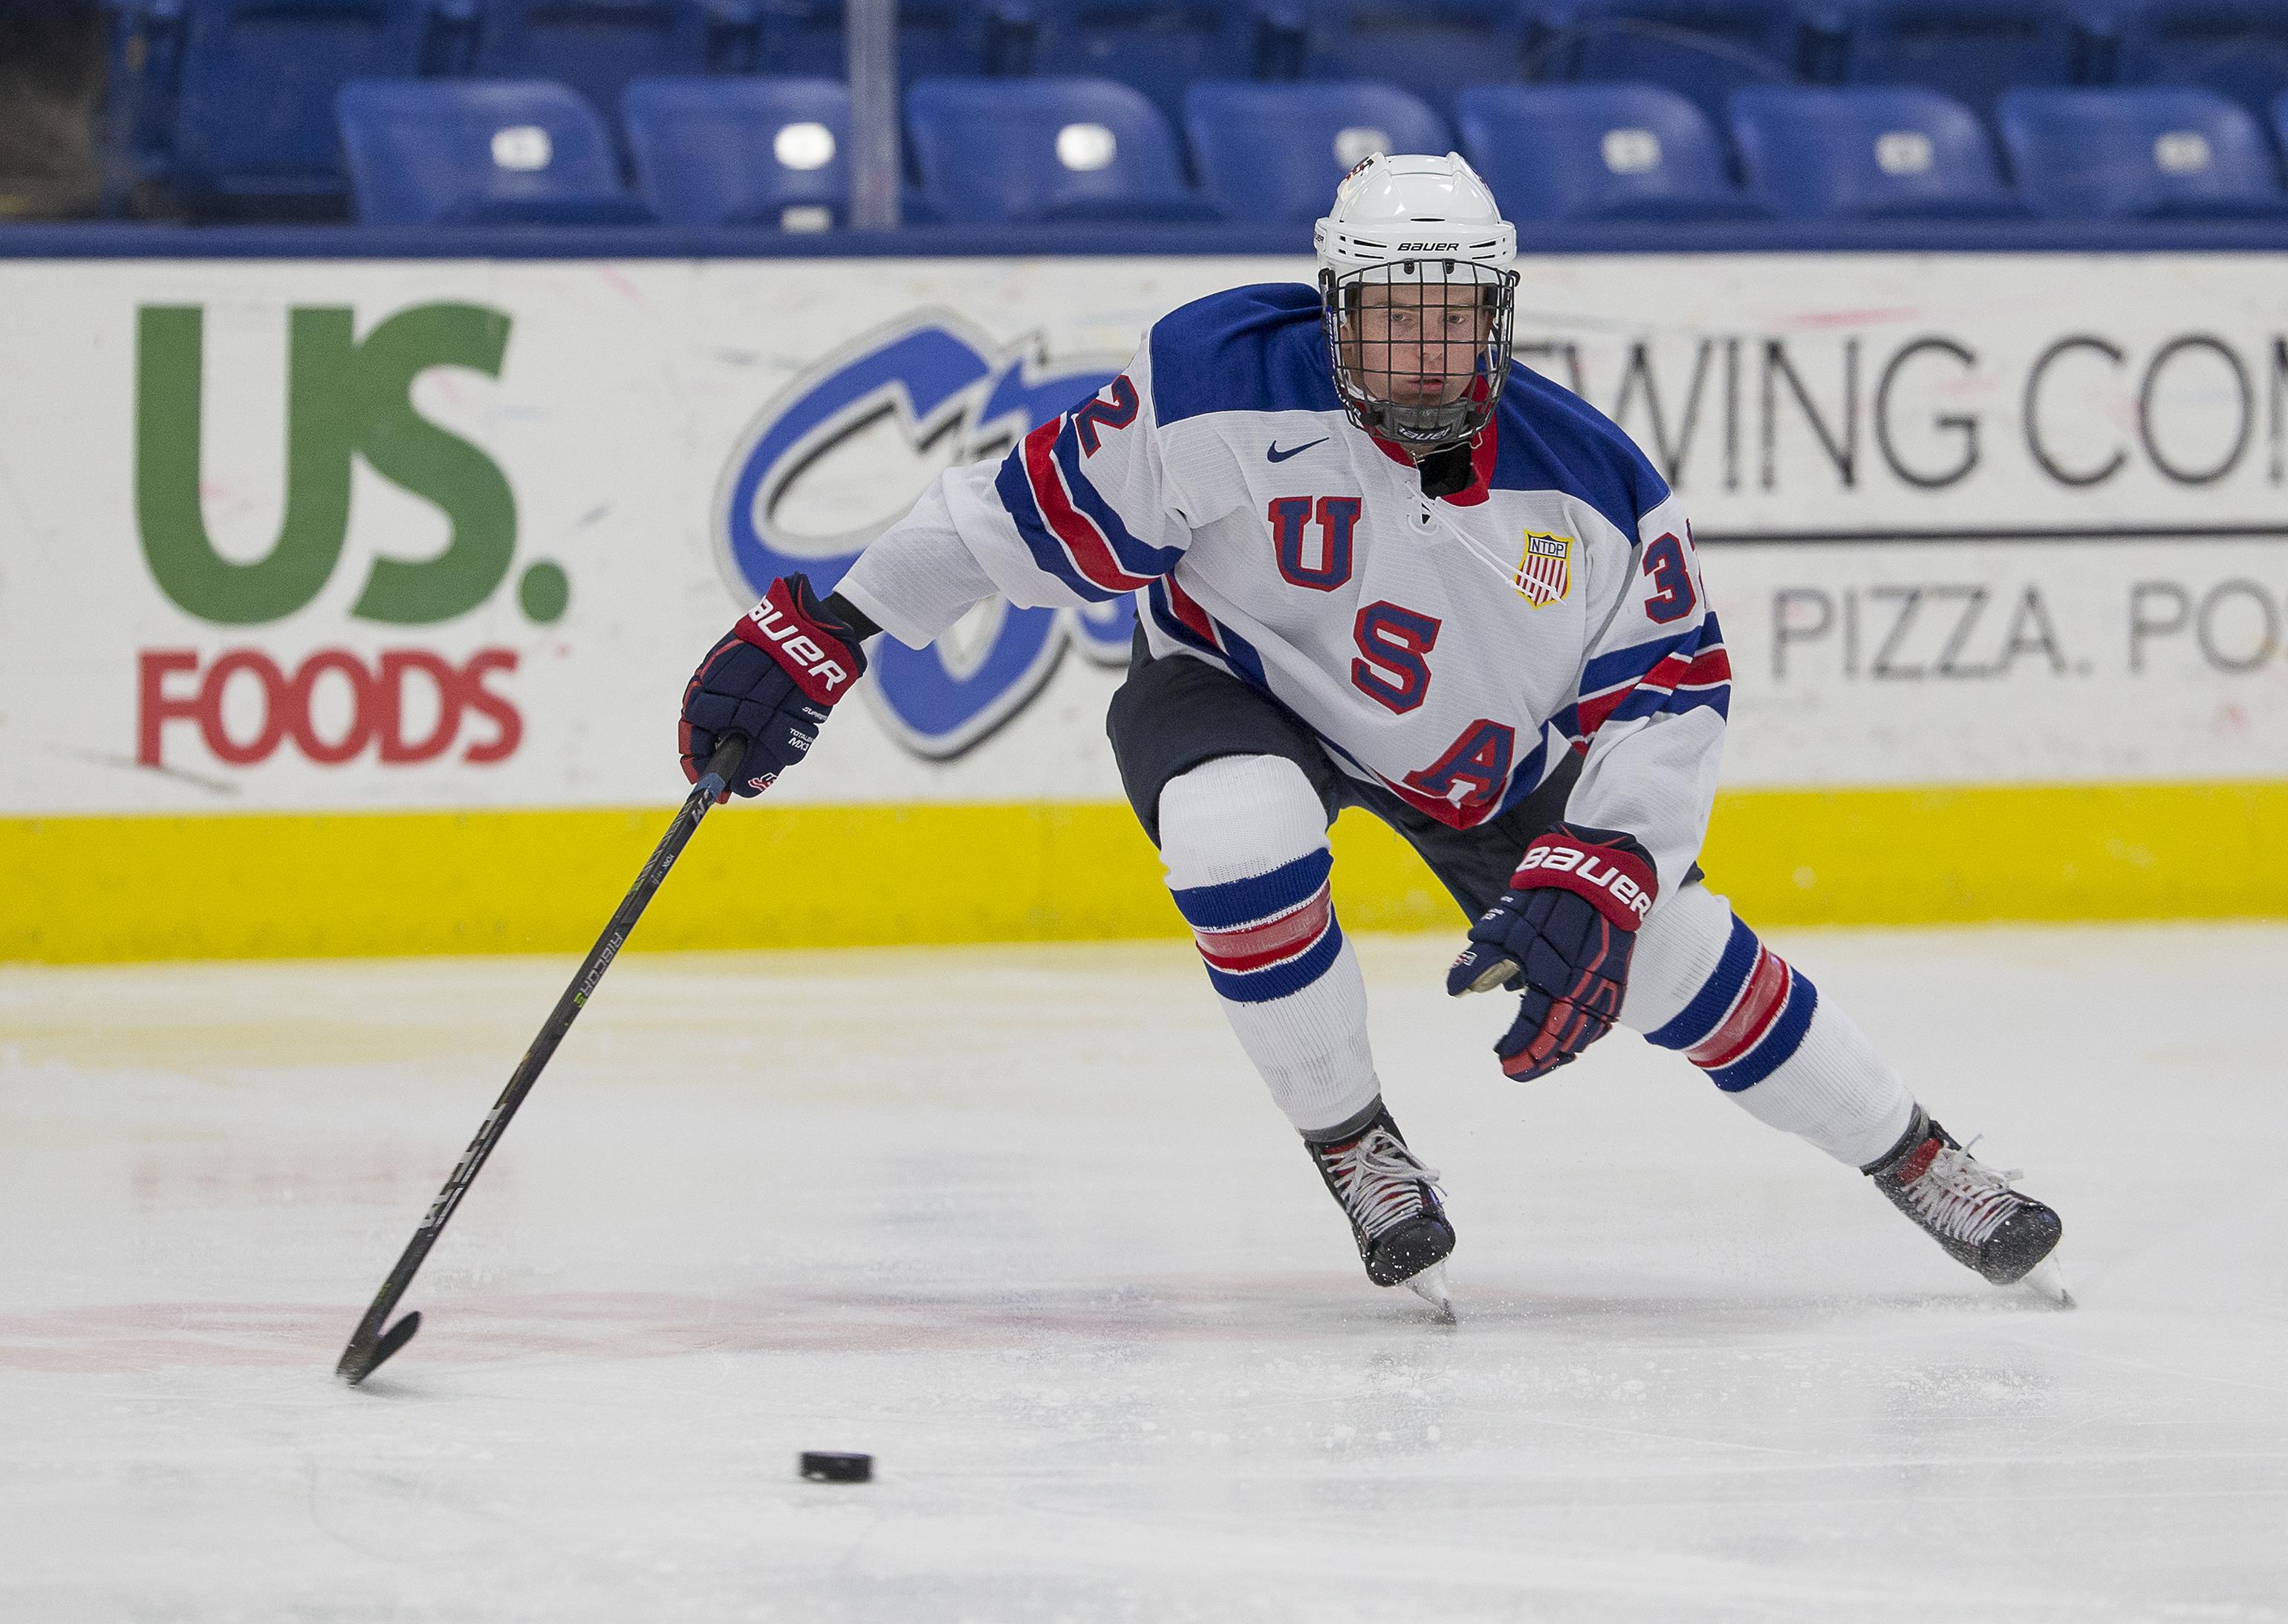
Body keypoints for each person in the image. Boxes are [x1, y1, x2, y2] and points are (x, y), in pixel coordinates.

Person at [677, 153, 2067, 1315]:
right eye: (1389, 317)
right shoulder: (1218, 379)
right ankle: (1357, 1147)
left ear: (1497, 318)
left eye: (1449, 319)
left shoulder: (1591, 485)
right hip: (1236, 683)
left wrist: (1609, 862)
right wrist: (835, 629)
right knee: (1236, 836)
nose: (1419, 350)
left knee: (1673, 961)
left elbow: (1671, 687)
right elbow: (1004, 517)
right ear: (1333, 309)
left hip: (1479, 761)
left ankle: (1920, 1156)